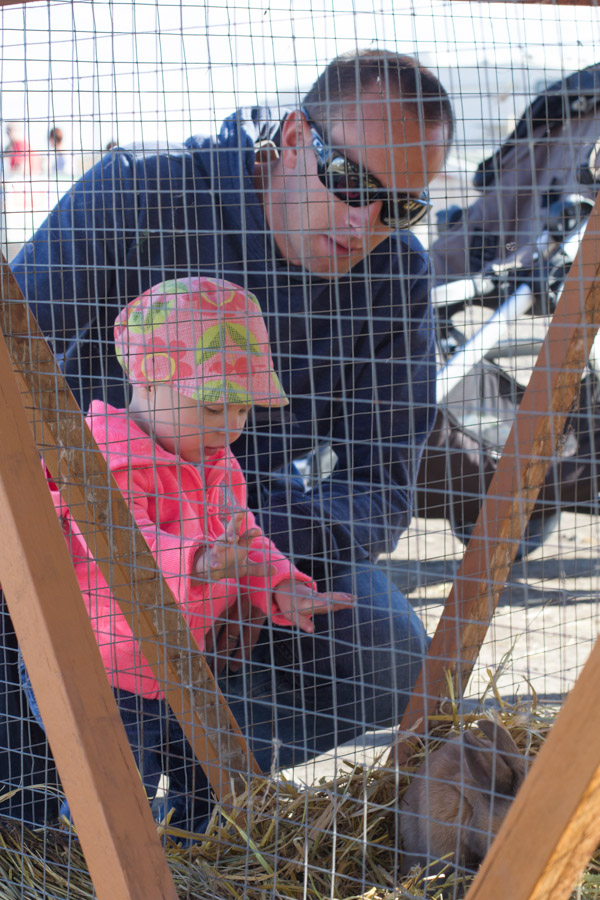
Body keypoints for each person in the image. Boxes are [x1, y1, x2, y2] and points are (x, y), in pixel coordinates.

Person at [10, 48, 454, 824]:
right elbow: (11, 365)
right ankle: (72, 777)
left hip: (248, 522)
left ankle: (199, 796)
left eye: (402, 208)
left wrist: (251, 562)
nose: (366, 223)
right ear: (296, 137)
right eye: (351, 183)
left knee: (392, 655)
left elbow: (381, 488)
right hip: (80, 519)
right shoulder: (141, 191)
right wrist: (65, 543)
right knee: (34, 795)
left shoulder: (398, 280)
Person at [21, 275, 354, 832]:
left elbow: (245, 537)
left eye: (242, 410)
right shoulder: (104, 459)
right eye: (214, 407)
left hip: (180, 660)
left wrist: (280, 585)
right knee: (113, 793)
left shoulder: (216, 462)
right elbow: (123, 543)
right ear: (148, 383)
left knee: (206, 781)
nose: (232, 427)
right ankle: (94, 864)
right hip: (100, 669)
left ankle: (195, 857)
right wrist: (199, 562)